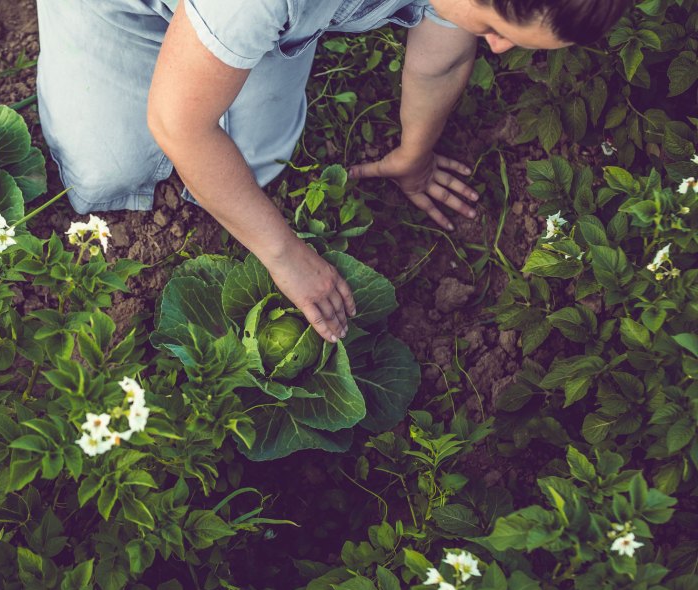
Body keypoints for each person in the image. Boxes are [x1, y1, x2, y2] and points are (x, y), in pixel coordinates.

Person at [35, 0, 629, 344]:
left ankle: (216, 51)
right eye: (493, 29)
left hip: (270, 23)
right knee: (106, 178)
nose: (496, 49)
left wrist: (414, 157)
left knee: (256, 165)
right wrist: (284, 254)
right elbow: (180, 125)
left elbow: (441, 58)